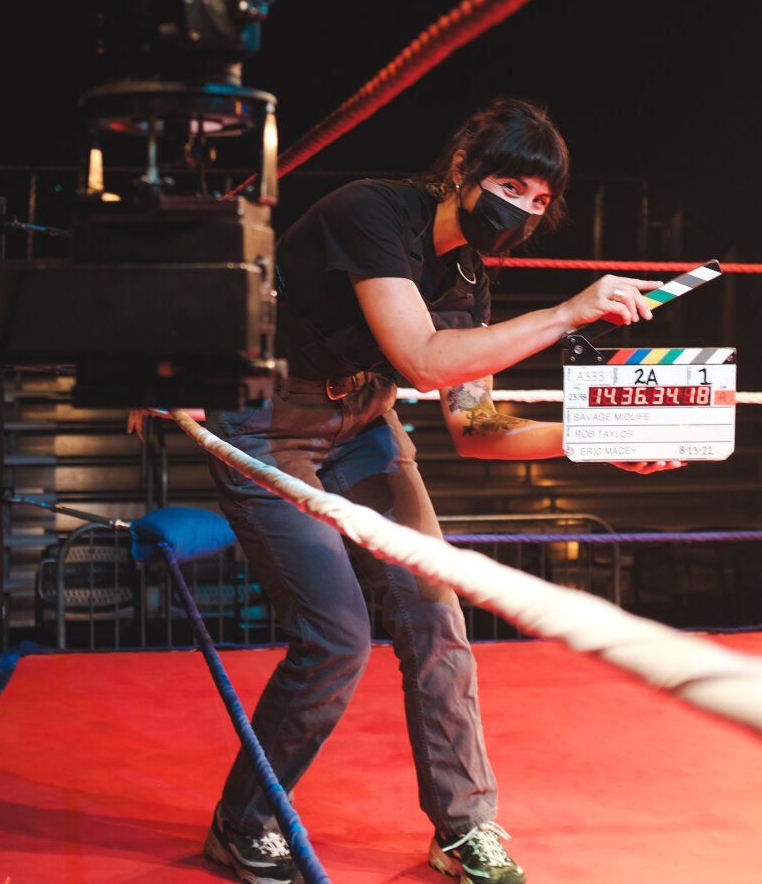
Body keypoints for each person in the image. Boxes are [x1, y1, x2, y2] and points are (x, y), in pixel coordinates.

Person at [201, 98, 682, 884]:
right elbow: (422, 358)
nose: (522, 209)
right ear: (463, 169)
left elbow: (477, 427)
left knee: (438, 616)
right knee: (338, 638)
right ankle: (243, 820)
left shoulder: (468, 278)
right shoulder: (371, 212)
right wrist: (567, 312)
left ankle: (464, 830)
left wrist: (599, 437)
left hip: (363, 425)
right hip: (266, 425)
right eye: (513, 185)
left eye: (538, 200)